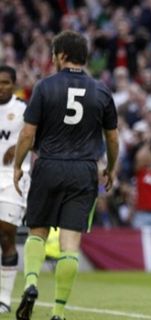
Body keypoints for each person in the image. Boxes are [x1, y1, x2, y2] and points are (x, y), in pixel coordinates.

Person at [13, 30, 119, 320]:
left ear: (61, 55)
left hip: (48, 165)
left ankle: (32, 283)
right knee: (70, 245)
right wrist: (111, 167)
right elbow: (112, 138)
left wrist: (17, 165)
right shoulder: (101, 91)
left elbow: (27, 134)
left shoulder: (45, 87)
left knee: (37, 231)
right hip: (84, 170)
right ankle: (59, 312)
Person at [0, 65, 30, 314]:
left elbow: (39, 136)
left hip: (14, 177)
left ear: (14, 84)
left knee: (7, 233)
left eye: (5, 83)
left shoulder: (23, 109)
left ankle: (4, 299)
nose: (1, 87)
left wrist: (20, 146)